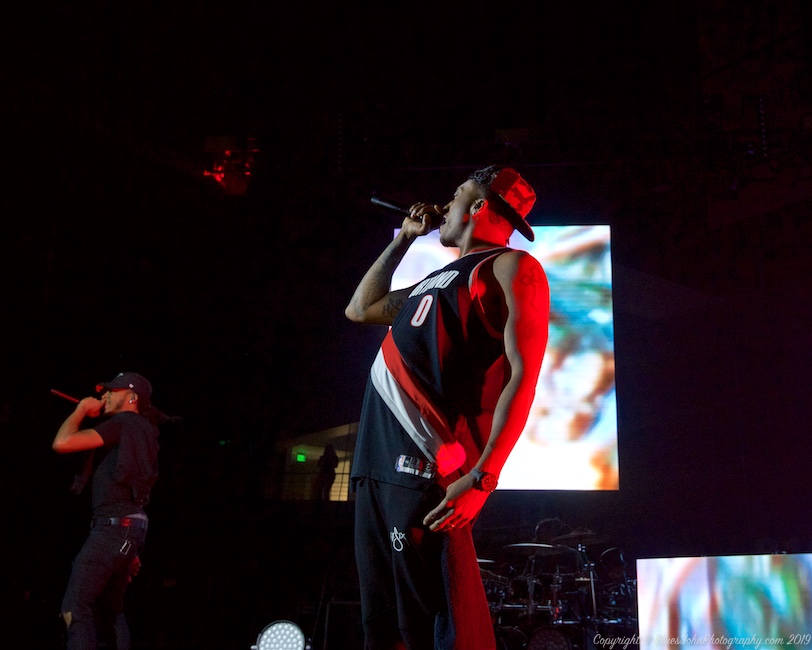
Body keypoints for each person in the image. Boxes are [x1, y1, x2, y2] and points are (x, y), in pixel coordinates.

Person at [345, 165, 550, 649]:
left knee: (432, 629)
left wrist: (483, 478)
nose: (444, 204)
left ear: (478, 206)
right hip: (375, 466)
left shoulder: (511, 267)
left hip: (424, 469)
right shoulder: (435, 278)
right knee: (382, 627)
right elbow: (359, 309)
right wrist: (403, 239)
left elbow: (522, 376)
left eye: (456, 194)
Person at [52, 372, 161, 650]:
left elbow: (62, 442)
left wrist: (80, 410)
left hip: (113, 529)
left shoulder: (123, 423)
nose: (105, 395)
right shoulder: (144, 431)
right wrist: (129, 545)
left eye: (113, 391)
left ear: (132, 397)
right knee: (109, 613)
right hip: (129, 527)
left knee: (75, 606)